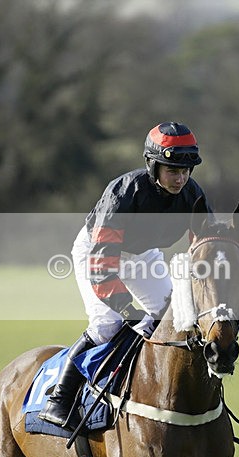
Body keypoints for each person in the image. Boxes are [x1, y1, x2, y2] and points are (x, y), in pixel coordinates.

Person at [39, 121, 211, 428]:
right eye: (173, 170)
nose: (181, 178)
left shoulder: (191, 194)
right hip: (99, 251)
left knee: (169, 316)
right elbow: (102, 263)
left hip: (143, 254)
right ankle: (58, 399)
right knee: (109, 325)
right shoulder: (124, 192)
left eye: (186, 171)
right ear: (153, 166)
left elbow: (206, 241)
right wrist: (128, 310)